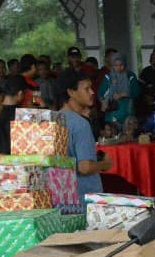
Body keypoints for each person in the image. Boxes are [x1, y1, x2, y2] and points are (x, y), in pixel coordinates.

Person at [56, 69, 112, 205]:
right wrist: (105, 164)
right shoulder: (80, 124)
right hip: (84, 199)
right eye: (86, 89)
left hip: (59, 198)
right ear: (71, 92)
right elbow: (84, 167)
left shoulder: (52, 120)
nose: (92, 92)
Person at [98, 54, 139, 126]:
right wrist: (104, 101)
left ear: (125, 65)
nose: (119, 67)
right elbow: (100, 93)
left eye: (121, 65)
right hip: (112, 114)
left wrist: (123, 94)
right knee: (113, 135)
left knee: (128, 135)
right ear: (112, 66)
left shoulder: (130, 76)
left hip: (127, 113)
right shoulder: (108, 77)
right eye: (116, 65)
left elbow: (136, 92)